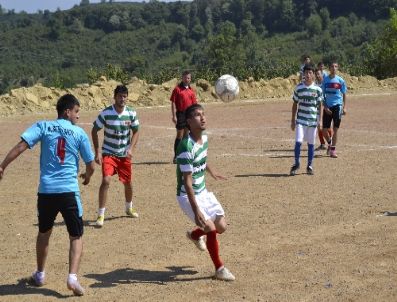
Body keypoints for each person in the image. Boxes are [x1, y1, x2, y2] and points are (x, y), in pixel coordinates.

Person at [0, 94, 95, 296]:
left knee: (44, 232)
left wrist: (2, 166)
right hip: (69, 191)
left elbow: (21, 146)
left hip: (47, 191)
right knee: (76, 235)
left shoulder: (43, 126)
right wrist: (87, 176)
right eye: (76, 112)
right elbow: (91, 164)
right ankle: (72, 277)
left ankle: (40, 274)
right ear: (67, 111)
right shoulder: (78, 133)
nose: (78, 116)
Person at [175, 103, 235, 281]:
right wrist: (196, 210)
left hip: (202, 191)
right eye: (197, 115)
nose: (202, 118)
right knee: (209, 227)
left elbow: (202, 158)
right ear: (188, 122)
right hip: (188, 195)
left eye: (203, 114)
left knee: (221, 227)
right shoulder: (185, 146)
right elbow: (186, 182)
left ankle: (194, 235)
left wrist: (211, 171)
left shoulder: (204, 138)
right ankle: (219, 269)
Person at [92, 85, 140, 227]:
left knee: (128, 183)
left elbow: (136, 131)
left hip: (124, 155)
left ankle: (129, 208)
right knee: (106, 180)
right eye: (120, 96)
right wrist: (97, 152)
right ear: (115, 97)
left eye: (124, 96)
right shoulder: (106, 113)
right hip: (109, 153)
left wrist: (131, 148)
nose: (122, 99)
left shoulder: (131, 113)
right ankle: (101, 215)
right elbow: (94, 130)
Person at [290, 64, 323, 176]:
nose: (308, 75)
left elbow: (319, 106)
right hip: (301, 120)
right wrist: (292, 120)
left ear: (313, 75)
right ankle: (296, 163)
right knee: (298, 141)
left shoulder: (318, 89)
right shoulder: (299, 88)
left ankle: (309, 165)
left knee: (311, 144)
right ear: (303, 74)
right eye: (306, 73)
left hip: (313, 121)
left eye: (310, 73)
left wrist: (320, 120)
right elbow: (295, 104)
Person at [170, 70, 197, 163]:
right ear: (182, 78)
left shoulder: (191, 90)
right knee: (179, 135)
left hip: (189, 114)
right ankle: (176, 156)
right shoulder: (177, 89)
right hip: (180, 114)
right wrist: (174, 116)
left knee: (186, 135)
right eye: (185, 77)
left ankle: (184, 155)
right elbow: (173, 102)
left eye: (188, 78)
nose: (187, 79)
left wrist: (195, 116)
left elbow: (194, 105)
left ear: (190, 79)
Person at [321, 62, 347, 158]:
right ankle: (330, 142)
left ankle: (333, 150)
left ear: (337, 68)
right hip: (328, 106)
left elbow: (344, 94)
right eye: (332, 66)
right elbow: (322, 95)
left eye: (336, 66)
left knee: (335, 129)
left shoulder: (340, 80)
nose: (334, 68)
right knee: (324, 130)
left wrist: (344, 107)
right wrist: (325, 106)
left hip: (337, 106)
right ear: (329, 68)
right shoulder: (325, 80)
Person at [314, 69, 332, 151]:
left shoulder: (326, 84)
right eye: (316, 74)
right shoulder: (315, 85)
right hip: (318, 109)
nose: (317, 76)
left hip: (327, 108)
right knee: (319, 127)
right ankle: (322, 144)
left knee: (327, 127)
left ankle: (331, 144)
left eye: (319, 74)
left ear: (322, 74)